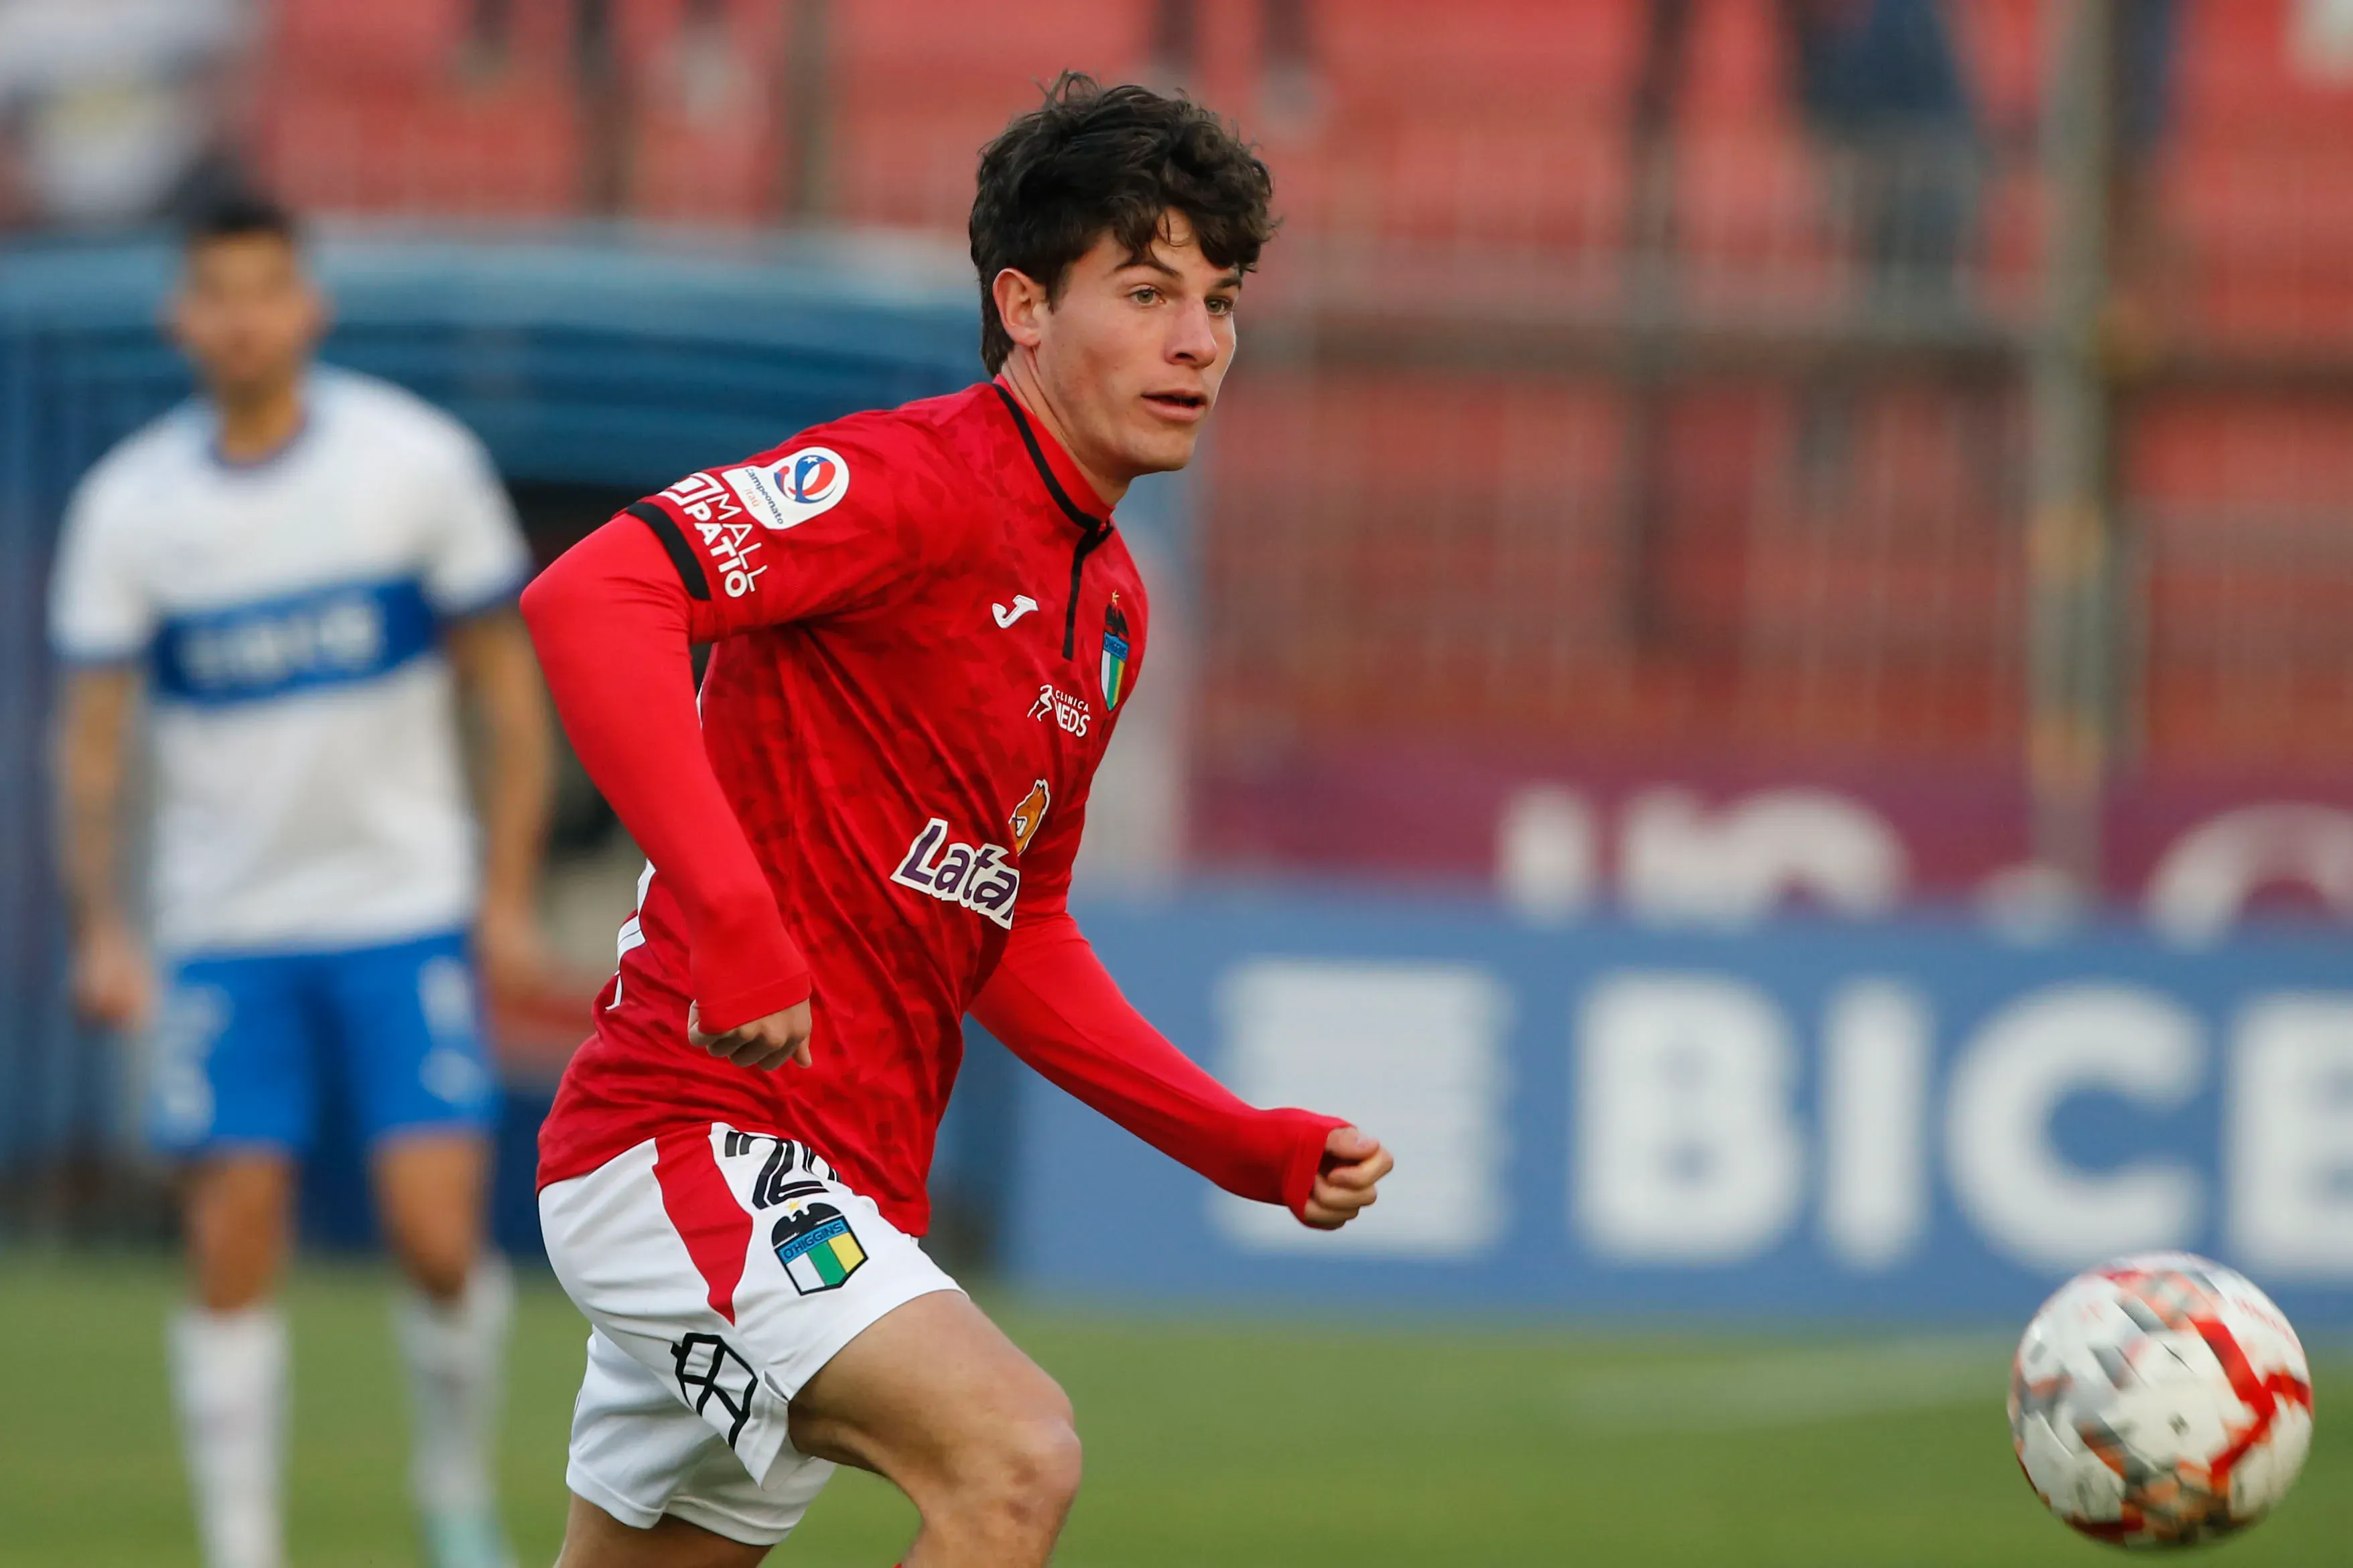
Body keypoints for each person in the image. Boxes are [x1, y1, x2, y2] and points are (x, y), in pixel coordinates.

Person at [519, 74, 1393, 1567]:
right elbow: (592, 593)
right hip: (695, 1138)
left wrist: (1233, 1141)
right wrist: (732, 919)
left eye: (1221, 299)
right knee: (1011, 1459)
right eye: (1145, 289)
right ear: (1024, 306)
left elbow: (1014, 926)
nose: (1197, 340)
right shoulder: (908, 480)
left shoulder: (1108, 605)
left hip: (837, 1172)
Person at [48, 192, 552, 1568]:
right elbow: (90, 741)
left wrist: (501, 895)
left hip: (397, 909)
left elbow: (510, 696)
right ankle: (243, 1545)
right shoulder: (131, 509)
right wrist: (105, 923)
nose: (243, 317)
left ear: (310, 306)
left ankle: (454, 1495)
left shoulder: (413, 465)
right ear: (181, 317)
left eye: (267, 288)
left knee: (439, 1236)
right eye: (217, 292)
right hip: (225, 929)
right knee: (235, 1234)